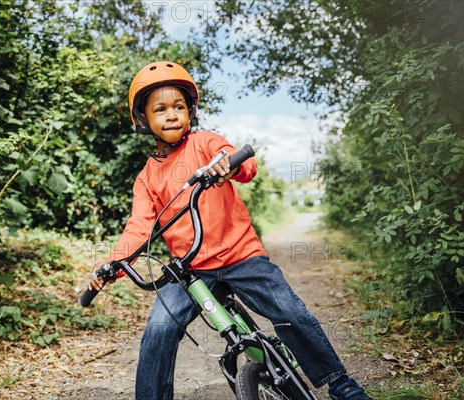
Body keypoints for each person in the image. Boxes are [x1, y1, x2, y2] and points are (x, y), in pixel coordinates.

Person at [89, 61, 372, 400]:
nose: (171, 115)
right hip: (190, 271)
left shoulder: (206, 143)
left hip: (241, 256)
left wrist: (229, 164)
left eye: (179, 106)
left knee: (288, 309)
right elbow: (137, 229)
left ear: (191, 111)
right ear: (142, 120)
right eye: (160, 109)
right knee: (159, 328)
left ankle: (340, 384)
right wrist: (113, 266)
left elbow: (243, 163)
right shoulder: (147, 177)